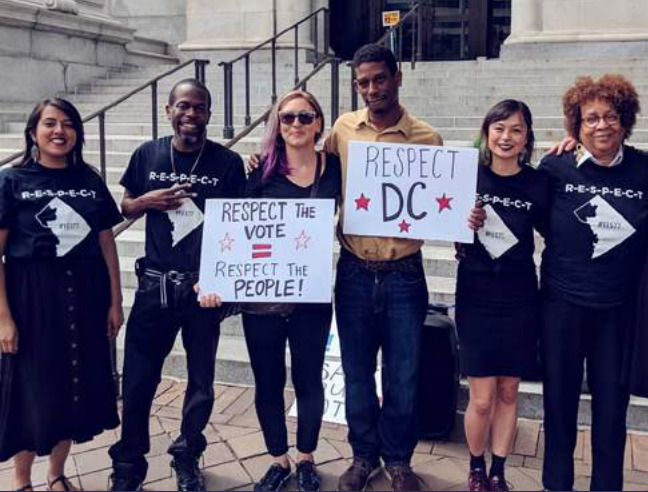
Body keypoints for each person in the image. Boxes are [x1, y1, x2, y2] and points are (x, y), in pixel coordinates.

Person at [327, 44, 484, 492]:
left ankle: (398, 459)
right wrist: (265, 157)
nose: (372, 89)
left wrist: (464, 219)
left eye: (380, 78)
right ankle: (362, 456)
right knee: (357, 372)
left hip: (404, 274)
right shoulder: (341, 130)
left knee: (404, 373)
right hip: (354, 270)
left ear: (398, 78)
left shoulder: (427, 138)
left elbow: (445, 202)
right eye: (363, 82)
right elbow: (311, 171)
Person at [108, 79, 246, 492]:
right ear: (169, 110)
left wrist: (224, 279)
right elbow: (125, 205)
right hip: (155, 287)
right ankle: (129, 465)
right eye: (183, 106)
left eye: (199, 108)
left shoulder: (227, 162)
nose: (191, 114)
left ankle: (188, 454)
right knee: (137, 381)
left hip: (204, 291)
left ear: (208, 113)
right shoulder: (147, 154)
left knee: (201, 383)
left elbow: (239, 226)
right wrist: (147, 201)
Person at [199, 89, 341, 492]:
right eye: (287, 118)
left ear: (318, 122)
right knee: (268, 381)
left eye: (305, 117)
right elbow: (237, 229)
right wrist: (213, 278)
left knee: (310, 380)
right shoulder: (258, 172)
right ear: (276, 125)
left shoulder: (334, 168)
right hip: (262, 300)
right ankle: (278, 458)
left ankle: (307, 458)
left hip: (310, 298)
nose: (296, 124)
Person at [0, 98, 123, 491]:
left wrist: (115, 302)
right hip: (32, 297)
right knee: (29, 391)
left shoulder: (89, 180)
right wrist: (4, 317)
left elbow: (107, 243)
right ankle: (22, 481)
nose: (59, 131)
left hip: (86, 294)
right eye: (50, 123)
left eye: (68, 124)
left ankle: (56, 473)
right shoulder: (11, 181)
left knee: (74, 385)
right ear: (34, 132)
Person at [537, 74, 648, 491]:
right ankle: (556, 485)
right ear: (576, 127)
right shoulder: (555, 167)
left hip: (617, 311)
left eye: (610, 117)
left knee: (611, 410)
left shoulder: (643, 169)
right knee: (558, 405)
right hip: (561, 305)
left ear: (625, 121)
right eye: (591, 119)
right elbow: (533, 216)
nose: (602, 126)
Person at [455, 100, 549, 492]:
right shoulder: (467, 177)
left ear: (527, 138)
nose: (506, 137)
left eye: (516, 129)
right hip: (476, 295)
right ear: (486, 133)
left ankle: (499, 471)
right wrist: (465, 226)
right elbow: (454, 239)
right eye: (499, 128)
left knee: (509, 390)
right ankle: (475, 467)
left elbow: (556, 231)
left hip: (520, 297)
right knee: (480, 398)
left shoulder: (538, 183)